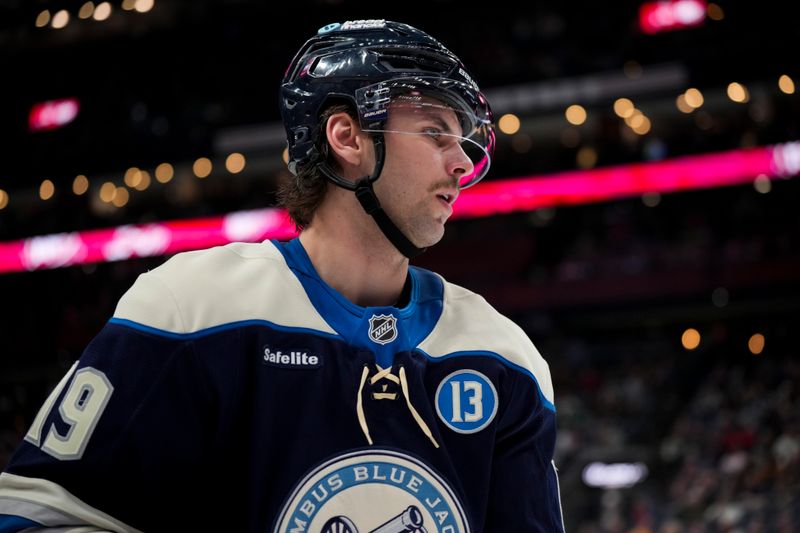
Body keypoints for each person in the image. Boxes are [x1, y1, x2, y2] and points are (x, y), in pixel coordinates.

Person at [0, 19, 564, 532]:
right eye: (436, 132)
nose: (462, 163)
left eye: (463, 142)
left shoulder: (504, 356)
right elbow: (39, 517)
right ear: (346, 137)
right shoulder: (190, 308)